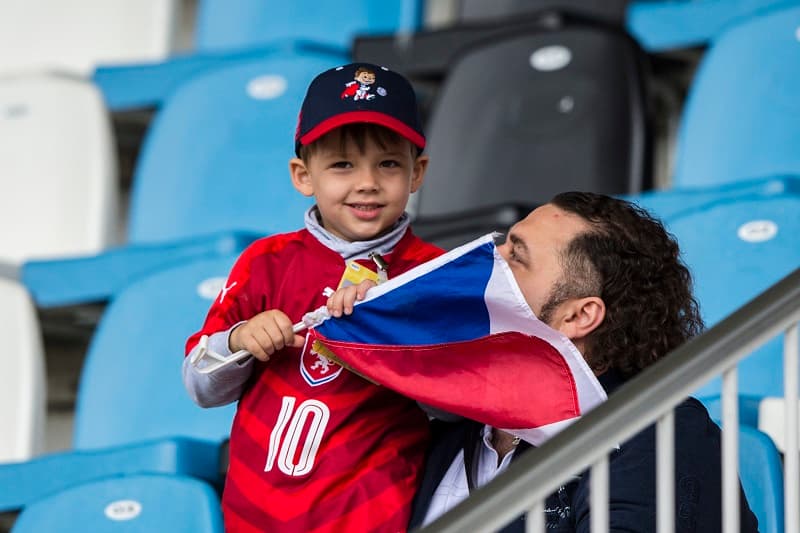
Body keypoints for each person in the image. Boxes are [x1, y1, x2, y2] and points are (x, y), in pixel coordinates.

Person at [332, 192, 759, 532]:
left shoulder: (659, 432)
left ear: (578, 316)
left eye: (516, 257)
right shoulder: (450, 430)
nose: (490, 260)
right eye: (504, 243)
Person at [183, 63, 443, 533]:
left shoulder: (433, 272)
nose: (366, 182)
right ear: (303, 175)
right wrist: (241, 339)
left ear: (416, 172)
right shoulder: (268, 260)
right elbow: (201, 386)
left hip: (369, 514)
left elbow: (461, 389)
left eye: (388, 163)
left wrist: (392, 317)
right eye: (342, 164)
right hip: (254, 514)